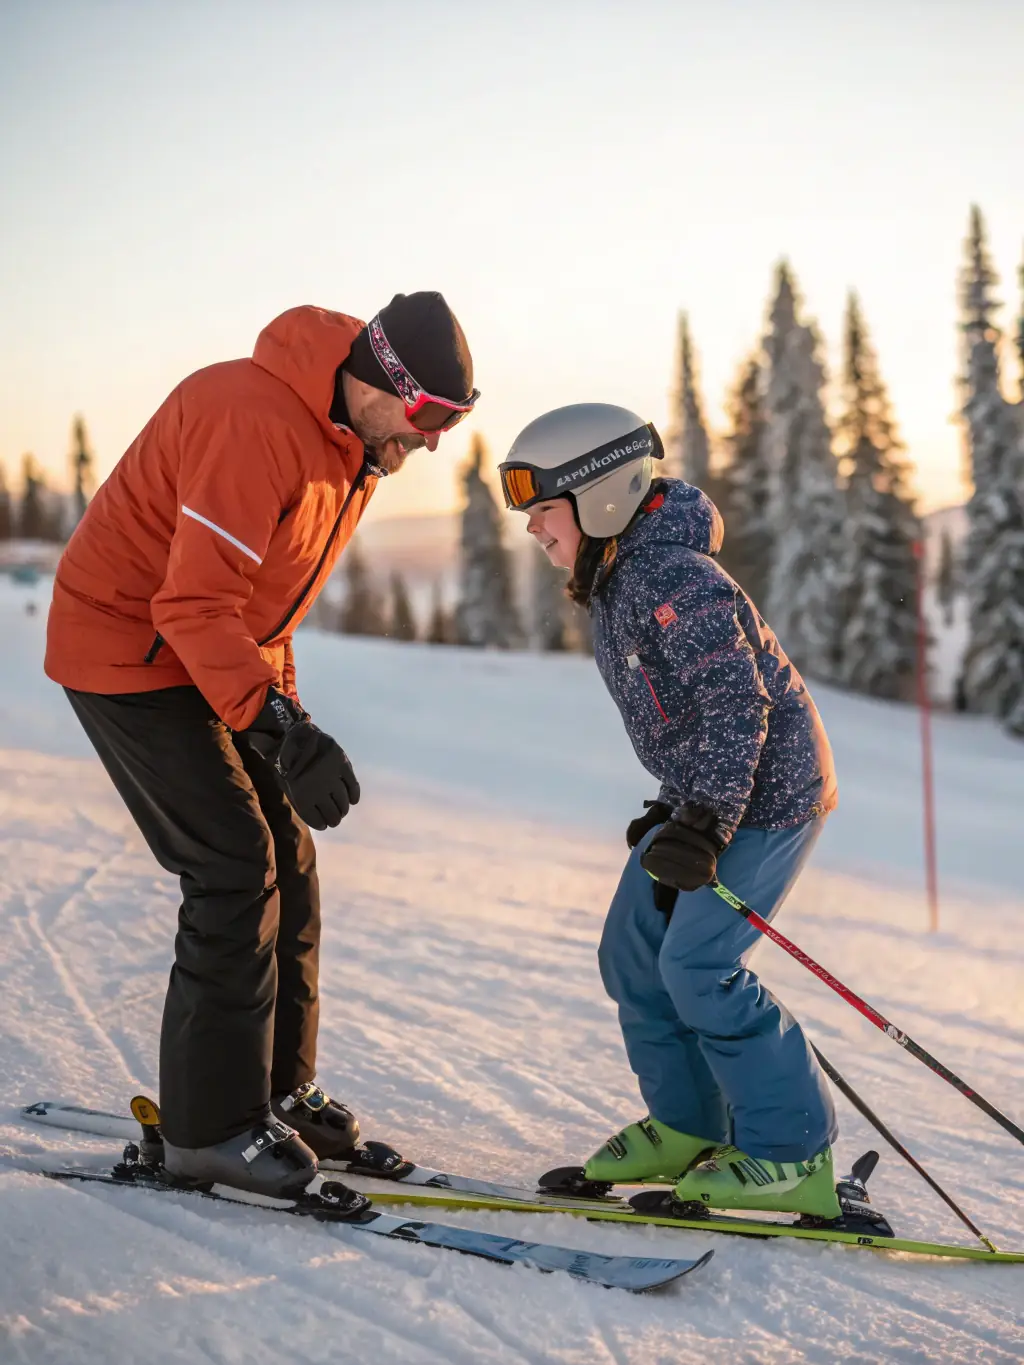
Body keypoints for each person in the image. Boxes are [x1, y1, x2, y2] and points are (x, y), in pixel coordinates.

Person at [45, 293, 478, 1199]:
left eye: (453, 422)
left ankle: (278, 1089)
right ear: (381, 382)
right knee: (232, 863)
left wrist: (288, 724)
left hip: (202, 651)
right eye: (430, 417)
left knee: (289, 848)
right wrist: (275, 726)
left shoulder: (352, 454)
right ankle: (209, 1128)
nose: (431, 442)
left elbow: (262, 612)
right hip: (125, 647)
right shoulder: (252, 419)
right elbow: (192, 604)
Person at [498, 403, 842, 1219]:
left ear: (602, 495)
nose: (535, 530)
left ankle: (793, 1153)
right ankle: (691, 1125)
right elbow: (686, 713)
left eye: (543, 509)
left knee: (700, 967)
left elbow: (737, 707)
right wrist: (676, 806)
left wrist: (709, 821)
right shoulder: (619, 577)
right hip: (708, 792)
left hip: (769, 793)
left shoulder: (674, 577)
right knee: (633, 954)